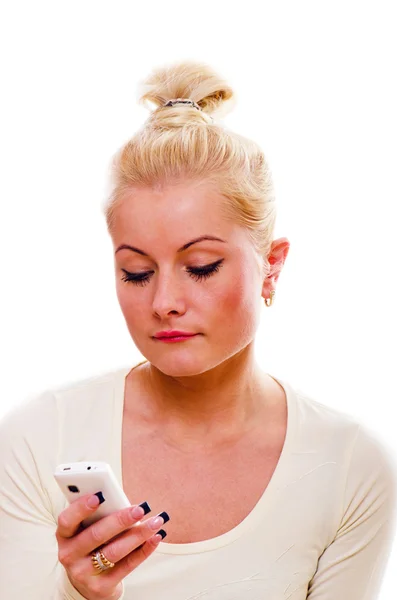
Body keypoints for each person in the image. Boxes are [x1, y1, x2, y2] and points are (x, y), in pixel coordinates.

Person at [0, 60, 396, 600]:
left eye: (202, 266)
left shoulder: (349, 465)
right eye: (136, 273)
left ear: (271, 266)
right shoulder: (35, 438)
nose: (164, 303)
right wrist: (83, 595)